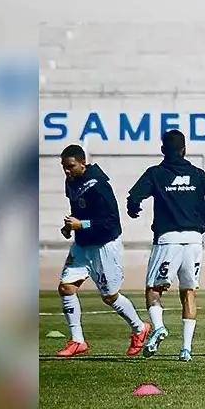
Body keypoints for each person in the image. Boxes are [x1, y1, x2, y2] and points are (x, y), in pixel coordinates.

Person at [127, 130, 205, 361]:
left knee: (154, 290)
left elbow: (134, 197)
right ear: (184, 150)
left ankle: (159, 327)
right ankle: (186, 350)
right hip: (194, 240)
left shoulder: (155, 173)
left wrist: (134, 209)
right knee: (188, 291)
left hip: (167, 239)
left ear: (163, 149)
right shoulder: (197, 174)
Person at [56, 144, 151, 357]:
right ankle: (77, 341)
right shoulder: (71, 182)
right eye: (63, 166)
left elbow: (111, 221)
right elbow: (78, 210)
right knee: (66, 287)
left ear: (83, 163)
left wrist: (82, 224)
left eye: (70, 166)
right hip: (82, 245)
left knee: (109, 297)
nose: (66, 171)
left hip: (105, 245)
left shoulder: (99, 186)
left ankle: (140, 328)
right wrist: (69, 226)